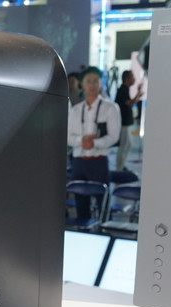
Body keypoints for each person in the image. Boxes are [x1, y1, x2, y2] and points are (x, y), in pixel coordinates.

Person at [67, 66, 121, 220]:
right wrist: (81, 141)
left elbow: (114, 136)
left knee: (103, 203)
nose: (92, 85)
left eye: (95, 81)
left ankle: (105, 229)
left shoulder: (110, 108)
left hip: (99, 162)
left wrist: (95, 143)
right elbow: (68, 136)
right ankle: (83, 231)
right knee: (80, 204)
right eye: (88, 81)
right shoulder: (76, 110)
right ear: (82, 85)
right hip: (79, 162)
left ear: (101, 83)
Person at [114, 70, 144, 171]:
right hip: (123, 123)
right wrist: (138, 93)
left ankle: (121, 165)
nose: (134, 79)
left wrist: (138, 95)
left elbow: (130, 102)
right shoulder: (122, 90)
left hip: (126, 123)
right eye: (132, 77)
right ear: (126, 79)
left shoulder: (125, 89)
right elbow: (130, 103)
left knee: (128, 144)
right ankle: (119, 168)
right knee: (123, 146)